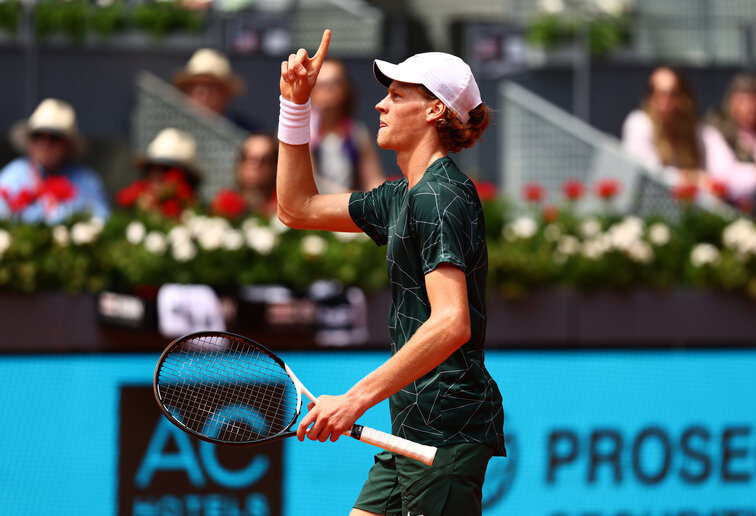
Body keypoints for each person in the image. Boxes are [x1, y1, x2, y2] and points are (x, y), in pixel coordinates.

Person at [276, 30, 505, 516]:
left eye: (397, 95)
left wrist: (355, 399)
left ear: (435, 110)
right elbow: (297, 207)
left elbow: (451, 323)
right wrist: (295, 106)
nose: (381, 105)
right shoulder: (401, 195)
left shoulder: (441, 195)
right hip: (412, 424)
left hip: (447, 427)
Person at [621, 66, 756, 205]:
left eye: (673, 94)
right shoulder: (639, 123)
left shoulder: (699, 132)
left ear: (684, 97)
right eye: (658, 93)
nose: (665, 101)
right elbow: (648, 173)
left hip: (689, 211)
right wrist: (693, 178)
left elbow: (727, 174)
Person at [0, 98, 110, 223]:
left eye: (54, 137)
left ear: (68, 145)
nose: (45, 144)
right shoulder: (12, 176)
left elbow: (102, 221)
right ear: (30, 141)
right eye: (38, 135)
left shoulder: (86, 181)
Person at [310, 59, 386, 193]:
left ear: (346, 89)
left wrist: (384, 199)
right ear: (311, 90)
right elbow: (310, 181)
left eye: (334, 83)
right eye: (321, 84)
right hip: (312, 208)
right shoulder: (301, 132)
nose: (328, 89)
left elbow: (373, 179)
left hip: (347, 207)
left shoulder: (356, 132)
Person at [172, 48, 258, 132]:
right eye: (197, 87)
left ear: (226, 93)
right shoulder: (172, 130)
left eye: (211, 87)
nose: (204, 94)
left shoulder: (248, 133)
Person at [705, 72, 756, 164]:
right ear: (732, 101)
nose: (750, 107)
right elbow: (725, 170)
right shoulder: (718, 129)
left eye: (753, 100)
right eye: (743, 100)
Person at [235, 132, 278, 216]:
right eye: (248, 158)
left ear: (275, 166)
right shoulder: (225, 205)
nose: (255, 165)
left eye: (264, 160)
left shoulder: (284, 209)